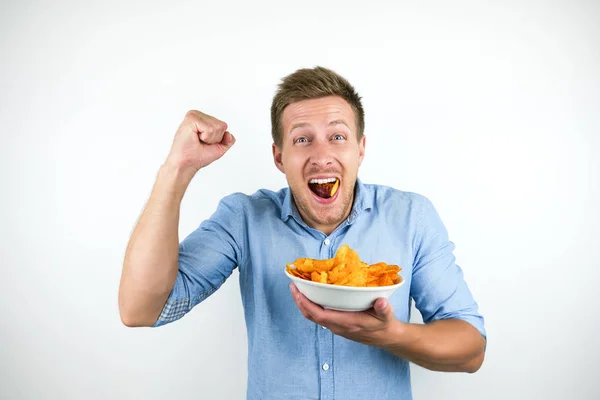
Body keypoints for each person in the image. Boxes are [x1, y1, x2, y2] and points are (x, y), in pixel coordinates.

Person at [119, 66, 487, 399]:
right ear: (279, 157)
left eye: (338, 137)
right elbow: (141, 309)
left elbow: (471, 350)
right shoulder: (244, 219)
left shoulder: (412, 217)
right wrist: (176, 169)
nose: (322, 155)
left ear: (361, 149)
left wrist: (391, 336)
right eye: (302, 139)